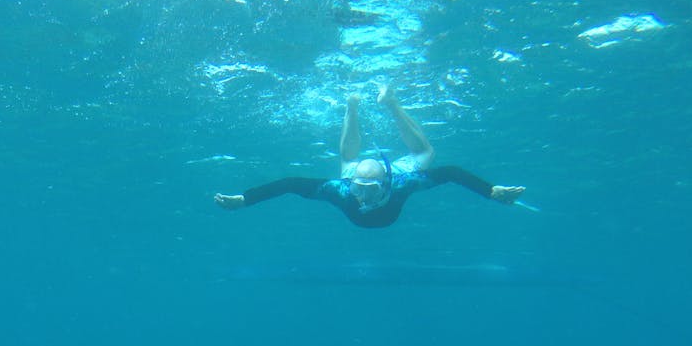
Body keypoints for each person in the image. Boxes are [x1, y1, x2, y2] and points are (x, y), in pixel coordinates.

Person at [214, 85, 524, 228]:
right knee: (347, 167)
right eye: (357, 188)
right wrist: (246, 199)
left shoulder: (403, 182)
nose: (361, 196)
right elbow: (290, 183)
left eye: (369, 189)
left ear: (386, 185)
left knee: (425, 153)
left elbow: (453, 172)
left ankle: (391, 104)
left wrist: (491, 192)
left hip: (397, 170)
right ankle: (352, 105)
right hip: (363, 174)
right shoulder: (343, 188)